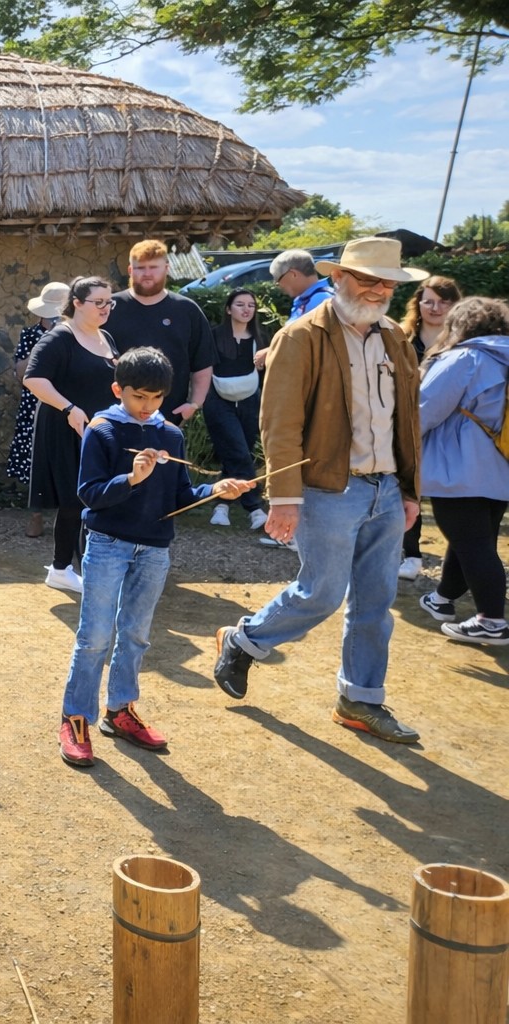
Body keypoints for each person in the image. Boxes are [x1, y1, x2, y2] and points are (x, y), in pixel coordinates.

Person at [213, 236, 428, 744]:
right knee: (323, 593)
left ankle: (360, 700)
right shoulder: (302, 336)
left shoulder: (396, 337)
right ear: (339, 278)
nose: (379, 291)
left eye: (388, 284)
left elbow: (408, 421)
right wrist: (284, 497)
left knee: (377, 600)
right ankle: (245, 640)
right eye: (369, 280)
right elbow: (280, 423)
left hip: (386, 489)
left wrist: (411, 490)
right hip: (329, 489)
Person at [58, 347, 254, 766]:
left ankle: (120, 709)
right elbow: (88, 493)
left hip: (155, 549)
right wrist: (130, 478)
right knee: (94, 637)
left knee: (136, 633)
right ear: (118, 390)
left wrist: (215, 490)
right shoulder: (103, 430)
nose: (147, 407)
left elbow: (181, 495)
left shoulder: (170, 435)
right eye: (138, 397)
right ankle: (75, 717)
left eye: (156, 398)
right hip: (108, 542)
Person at [417, 297, 509, 646]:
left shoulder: (465, 357)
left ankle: (491, 620)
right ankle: (442, 599)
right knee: (475, 539)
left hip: (457, 469)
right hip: (500, 467)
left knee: (472, 543)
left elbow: (422, 410)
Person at [24, 276, 121, 592]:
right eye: (99, 302)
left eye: (110, 302)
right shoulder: (59, 338)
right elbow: (34, 380)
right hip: (68, 429)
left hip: (100, 431)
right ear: (77, 303)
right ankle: (65, 568)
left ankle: (71, 567)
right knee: (76, 500)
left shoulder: (105, 336)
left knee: (96, 499)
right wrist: (69, 409)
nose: (106, 308)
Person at [107, 239, 212, 426]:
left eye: (153, 267)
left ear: (166, 268)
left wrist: (194, 404)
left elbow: (202, 363)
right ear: (130, 270)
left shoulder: (187, 310)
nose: (147, 274)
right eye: (140, 268)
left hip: (168, 419)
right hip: (113, 418)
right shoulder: (109, 308)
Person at [397, 275, 461, 580]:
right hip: (409, 424)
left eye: (444, 302)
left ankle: (457, 565)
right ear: (418, 304)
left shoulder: (462, 343)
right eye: (429, 301)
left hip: (451, 429)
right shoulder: (401, 338)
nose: (436, 308)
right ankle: (411, 555)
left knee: (452, 499)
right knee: (408, 488)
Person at [203, 289, 270, 530]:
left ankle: (221, 505)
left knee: (236, 453)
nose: (246, 309)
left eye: (251, 305)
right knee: (239, 452)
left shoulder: (262, 339)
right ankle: (254, 509)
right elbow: (202, 368)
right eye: (240, 304)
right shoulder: (213, 335)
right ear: (229, 309)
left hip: (251, 400)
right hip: (218, 400)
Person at [9, 282, 67, 539]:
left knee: (65, 459)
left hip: (66, 404)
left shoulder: (74, 335)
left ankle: (66, 520)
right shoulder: (29, 335)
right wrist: (42, 345)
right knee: (33, 459)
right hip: (34, 406)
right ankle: (35, 516)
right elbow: (19, 373)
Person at [271, 249, 334, 322]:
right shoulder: (310, 298)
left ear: (293, 274)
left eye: (278, 279)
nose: (278, 285)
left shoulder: (321, 301)